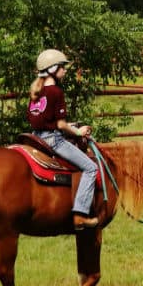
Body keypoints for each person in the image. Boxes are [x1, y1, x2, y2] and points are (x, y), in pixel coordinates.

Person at [28, 49, 100, 229]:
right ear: (52, 69)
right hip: (53, 140)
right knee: (91, 168)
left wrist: (71, 125)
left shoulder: (37, 91)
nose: (65, 70)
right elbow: (60, 125)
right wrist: (78, 132)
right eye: (62, 67)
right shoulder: (56, 92)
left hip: (35, 138)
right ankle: (80, 214)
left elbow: (44, 118)